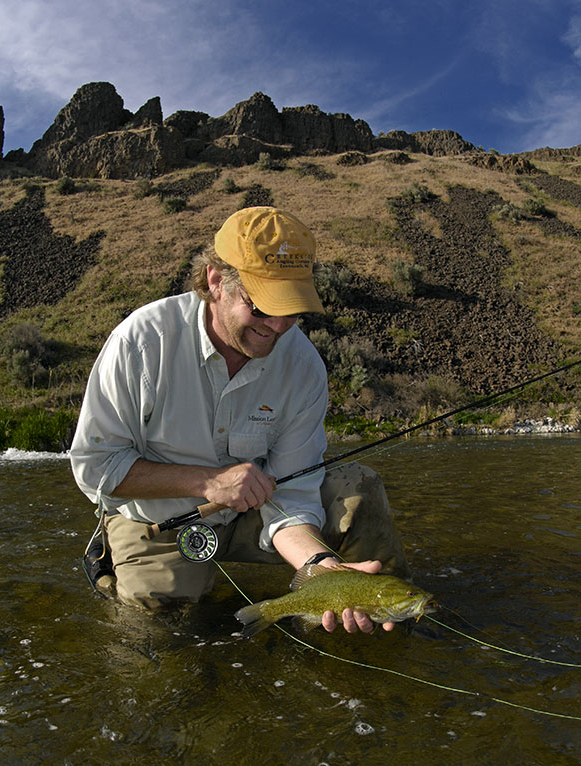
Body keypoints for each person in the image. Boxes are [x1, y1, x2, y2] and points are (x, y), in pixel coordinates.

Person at [70, 206, 411, 633]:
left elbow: (295, 494)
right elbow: (94, 470)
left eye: (292, 309)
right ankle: (113, 561)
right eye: (263, 306)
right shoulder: (142, 342)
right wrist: (208, 483)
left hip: (256, 512)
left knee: (359, 489)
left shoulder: (303, 366)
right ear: (215, 280)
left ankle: (368, 636)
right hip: (157, 520)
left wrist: (319, 565)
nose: (280, 324)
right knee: (159, 635)